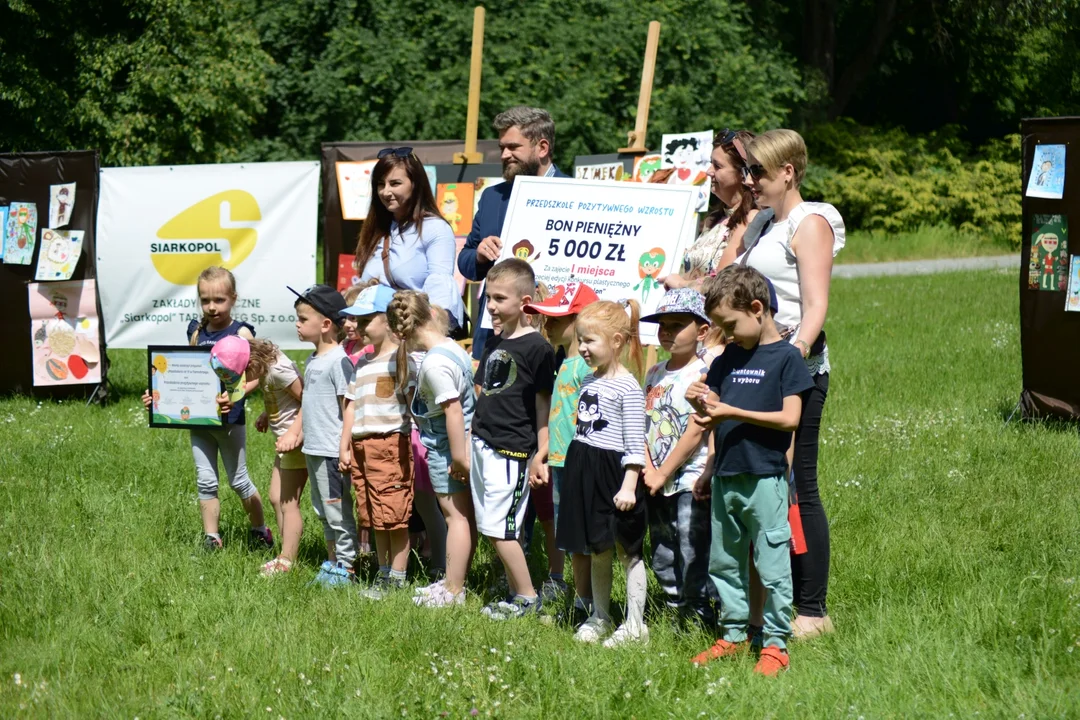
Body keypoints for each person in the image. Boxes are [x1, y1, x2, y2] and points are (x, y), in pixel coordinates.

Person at [735, 129, 845, 638]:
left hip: (794, 371)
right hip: (754, 368)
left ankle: (812, 611)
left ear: (788, 172)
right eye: (747, 170)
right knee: (768, 485)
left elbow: (815, 307)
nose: (749, 180)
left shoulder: (810, 222)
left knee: (798, 483)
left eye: (758, 171)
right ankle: (767, 601)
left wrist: (788, 362)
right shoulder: (762, 224)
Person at [687, 265, 814, 676]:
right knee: (725, 563)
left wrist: (730, 411)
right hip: (727, 476)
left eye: (730, 325)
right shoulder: (727, 359)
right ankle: (735, 634)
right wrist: (700, 401)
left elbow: (790, 418)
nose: (725, 335)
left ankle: (776, 644)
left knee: (772, 566)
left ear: (757, 308)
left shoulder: (787, 359)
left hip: (767, 479)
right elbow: (712, 416)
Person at [141, 266, 271, 552]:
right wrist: (158, 396)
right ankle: (211, 538)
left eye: (220, 300)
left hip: (230, 421)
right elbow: (180, 373)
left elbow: (258, 374)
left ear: (233, 298)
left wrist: (236, 396)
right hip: (198, 421)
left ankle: (260, 531)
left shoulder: (242, 333)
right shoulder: (196, 331)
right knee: (205, 480)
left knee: (239, 480)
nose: (212, 307)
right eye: (205, 300)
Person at [557, 300, 649, 647]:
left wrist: (629, 486)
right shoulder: (588, 380)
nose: (582, 348)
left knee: (628, 551)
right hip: (585, 469)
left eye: (590, 341)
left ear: (616, 341)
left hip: (615, 475)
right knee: (598, 549)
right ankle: (600, 615)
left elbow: (633, 445)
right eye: (580, 340)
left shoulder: (628, 388)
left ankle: (635, 624)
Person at [470, 259, 556, 620]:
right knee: (493, 525)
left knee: (499, 527)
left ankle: (526, 596)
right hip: (482, 444)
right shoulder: (494, 338)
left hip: (512, 450)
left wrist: (540, 452)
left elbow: (543, 407)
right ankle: (512, 589)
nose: (491, 305)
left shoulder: (538, 348)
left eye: (499, 298)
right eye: (488, 297)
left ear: (524, 301)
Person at [387, 291, 477, 608]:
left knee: (455, 518)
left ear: (401, 333)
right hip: (459, 444)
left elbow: (453, 411)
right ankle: (454, 580)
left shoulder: (434, 364)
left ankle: (453, 590)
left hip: (447, 448)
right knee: (462, 517)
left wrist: (457, 458)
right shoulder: (453, 349)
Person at [456, 106, 570, 358]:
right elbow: (465, 261)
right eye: (502, 148)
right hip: (495, 337)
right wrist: (479, 255)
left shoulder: (576, 195)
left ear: (542, 148)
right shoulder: (492, 197)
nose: (505, 154)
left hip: (553, 338)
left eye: (513, 147)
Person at [639, 288, 715, 628]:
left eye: (676, 325)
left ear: (702, 331)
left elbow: (697, 429)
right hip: (654, 477)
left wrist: (664, 471)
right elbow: (641, 422)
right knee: (661, 548)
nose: (666, 331)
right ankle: (674, 607)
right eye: (662, 325)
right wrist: (649, 468)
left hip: (689, 478)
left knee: (691, 546)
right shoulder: (654, 373)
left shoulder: (705, 373)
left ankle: (699, 612)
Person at [524, 281, 600, 616]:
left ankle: (589, 603)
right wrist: (542, 455)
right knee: (571, 539)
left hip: (581, 463)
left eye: (557, 318)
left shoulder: (586, 366)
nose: (548, 324)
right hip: (559, 462)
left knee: (584, 538)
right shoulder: (563, 363)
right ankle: (582, 600)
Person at [340, 285, 417, 599]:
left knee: (394, 515)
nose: (358, 326)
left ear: (388, 320)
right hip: (361, 446)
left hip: (389, 445)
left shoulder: (402, 361)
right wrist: (344, 445)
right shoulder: (362, 365)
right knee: (373, 515)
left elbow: (414, 405)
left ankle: (396, 578)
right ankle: (383, 573)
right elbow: (351, 406)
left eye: (365, 319)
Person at [289, 284, 359, 587]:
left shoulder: (339, 361)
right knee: (322, 510)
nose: (297, 324)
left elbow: (349, 408)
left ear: (326, 324)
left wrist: (345, 449)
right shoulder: (313, 359)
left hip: (331, 452)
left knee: (338, 511)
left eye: (303, 319)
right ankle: (332, 564)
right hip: (314, 450)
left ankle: (347, 567)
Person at [354, 147, 465, 331]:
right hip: (378, 337)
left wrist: (429, 339)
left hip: (417, 335)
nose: (385, 192)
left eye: (395, 183)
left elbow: (440, 292)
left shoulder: (435, 228)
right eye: (381, 184)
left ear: (415, 184)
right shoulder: (378, 228)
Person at [660, 130, 757, 291]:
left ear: (743, 174)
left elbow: (723, 285)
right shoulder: (714, 219)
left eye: (717, 166)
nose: (708, 171)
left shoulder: (751, 220)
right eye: (711, 163)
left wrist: (679, 284)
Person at [243, 338, 306, 576]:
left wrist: (294, 433)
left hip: (296, 441)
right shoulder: (267, 368)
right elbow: (285, 399)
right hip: (284, 441)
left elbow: (308, 399)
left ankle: (287, 560)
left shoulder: (279, 370)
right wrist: (267, 414)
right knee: (275, 498)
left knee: (287, 502)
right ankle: (286, 551)